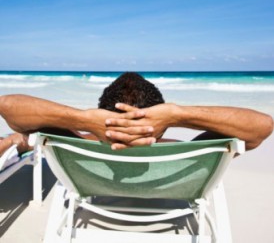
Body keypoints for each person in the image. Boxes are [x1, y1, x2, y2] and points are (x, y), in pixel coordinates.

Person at [0, 72, 273, 155]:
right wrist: (177, 115)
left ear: (101, 111)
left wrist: (85, 120)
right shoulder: (190, 153)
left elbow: (8, 105)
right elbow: (262, 127)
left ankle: (11, 142)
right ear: (163, 126)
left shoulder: (78, 142)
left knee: (19, 138)